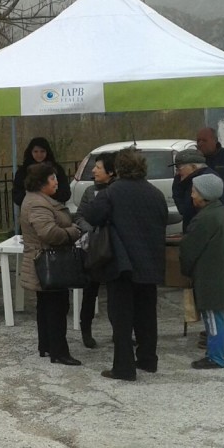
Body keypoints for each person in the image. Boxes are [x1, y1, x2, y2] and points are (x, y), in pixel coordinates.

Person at [80, 147, 168, 382]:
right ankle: (148, 359)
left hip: (122, 264)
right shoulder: (155, 193)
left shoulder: (112, 192)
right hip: (150, 262)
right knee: (147, 315)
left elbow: (92, 215)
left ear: (118, 168)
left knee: (121, 316)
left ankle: (124, 367)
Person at [172, 148, 224, 348]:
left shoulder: (205, 183)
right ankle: (220, 335)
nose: (178, 172)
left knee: (220, 299)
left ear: (193, 167)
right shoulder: (199, 179)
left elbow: (191, 212)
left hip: (219, 251)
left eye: (180, 168)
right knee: (220, 299)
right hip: (220, 248)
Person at [19, 162, 82, 366]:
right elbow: (49, 233)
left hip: (45, 261)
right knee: (56, 307)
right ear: (41, 182)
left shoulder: (38, 200)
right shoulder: (38, 204)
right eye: (52, 178)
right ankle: (59, 351)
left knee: (46, 305)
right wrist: (73, 231)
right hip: (49, 263)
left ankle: (46, 345)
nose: (57, 182)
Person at [180, 172, 224, 369]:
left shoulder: (206, 218)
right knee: (216, 316)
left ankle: (216, 357)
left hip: (211, 277)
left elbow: (189, 249)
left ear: (205, 194)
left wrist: (185, 270)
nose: (192, 195)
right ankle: (215, 354)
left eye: (194, 191)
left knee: (213, 318)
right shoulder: (223, 213)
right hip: (222, 274)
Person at [74, 151, 116, 349]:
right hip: (93, 249)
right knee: (90, 291)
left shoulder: (117, 191)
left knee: (116, 294)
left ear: (111, 172)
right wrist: (91, 229)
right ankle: (86, 330)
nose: (93, 170)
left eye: (98, 167)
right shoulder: (90, 191)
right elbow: (79, 216)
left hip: (113, 248)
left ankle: (119, 331)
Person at [12, 137, 71, 208]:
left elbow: (66, 193)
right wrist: (33, 198)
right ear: (30, 152)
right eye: (35, 151)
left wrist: (50, 194)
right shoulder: (23, 171)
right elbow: (17, 195)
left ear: (47, 152)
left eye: (42, 151)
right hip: (31, 208)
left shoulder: (57, 169)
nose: (39, 155)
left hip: (53, 207)